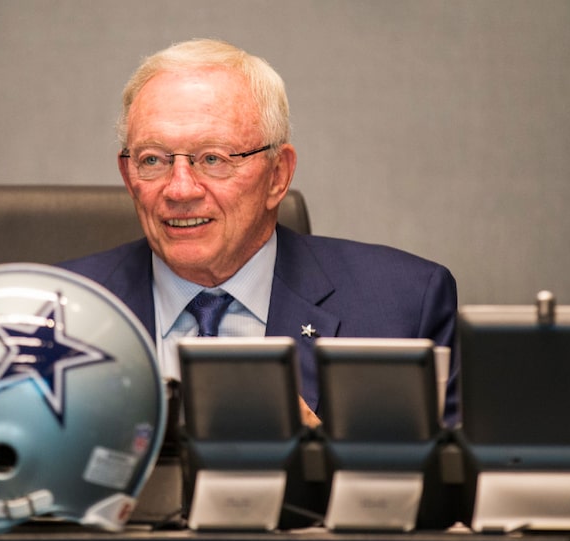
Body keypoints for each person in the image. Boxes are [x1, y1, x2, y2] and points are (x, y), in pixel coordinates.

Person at [59, 38, 459, 428]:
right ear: (129, 177)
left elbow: (447, 488)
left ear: (277, 176)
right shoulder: (52, 313)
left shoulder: (403, 306)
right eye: (152, 160)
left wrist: (321, 457)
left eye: (213, 158)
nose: (180, 189)